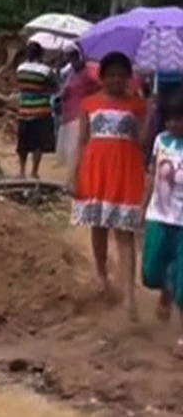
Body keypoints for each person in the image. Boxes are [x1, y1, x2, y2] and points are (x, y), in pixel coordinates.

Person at [72, 52, 147, 321]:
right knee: (99, 227)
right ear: (102, 77)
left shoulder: (138, 105)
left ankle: (129, 294)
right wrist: (74, 173)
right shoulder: (88, 104)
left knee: (125, 233)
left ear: (128, 77)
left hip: (126, 171)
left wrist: (151, 109)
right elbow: (82, 141)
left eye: (121, 74)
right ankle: (101, 276)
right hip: (96, 169)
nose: (116, 79)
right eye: (111, 74)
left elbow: (141, 141)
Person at [142, 91, 183, 355]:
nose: (173, 124)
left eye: (179, 119)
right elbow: (151, 174)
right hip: (158, 215)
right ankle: (165, 291)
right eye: (169, 119)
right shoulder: (160, 141)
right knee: (150, 272)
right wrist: (142, 205)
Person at [56, 48, 101, 187]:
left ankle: (75, 181)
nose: (73, 61)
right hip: (68, 114)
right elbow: (66, 88)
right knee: (71, 151)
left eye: (74, 57)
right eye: (70, 58)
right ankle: (73, 180)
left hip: (82, 116)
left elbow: (100, 87)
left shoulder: (90, 72)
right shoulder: (71, 73)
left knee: (77, 149)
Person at [16, 43, 58, 179]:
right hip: (41, 110)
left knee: (23, 143)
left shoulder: (20, 69)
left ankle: (22, 171)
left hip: (24, 110)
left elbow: (21, 86)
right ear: (41, 54)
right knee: (37, 144)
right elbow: (55, 87)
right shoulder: (45, 70)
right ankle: (34, 171)